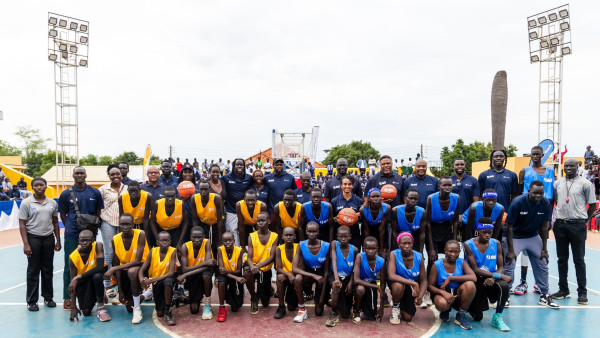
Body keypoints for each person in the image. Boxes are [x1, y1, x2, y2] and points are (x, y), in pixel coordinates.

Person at [503, 180, 558, 309]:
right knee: (509, 263)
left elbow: (545, 226)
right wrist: (511, 250)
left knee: (542, 262)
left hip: (532, 236)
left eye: (541, 193)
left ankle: (544, 295)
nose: (538, 196)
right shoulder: (518, 202)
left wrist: (544, 249)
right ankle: (505, 295)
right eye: (535, 193)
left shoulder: (544, 202)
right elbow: (509, 226)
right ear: (529, 191)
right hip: (515, 236)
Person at [551, 158, 597, 305]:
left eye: (572, 165)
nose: (569, 168)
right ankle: (563, 289)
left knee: (579, 260)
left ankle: (582, 292)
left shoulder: (586, 183)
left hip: (578, 224)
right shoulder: (557, 183)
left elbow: (592, 205)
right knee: (562, 259)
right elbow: (557, 201)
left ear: (577, 167)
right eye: (566, 166)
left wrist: (584, 221)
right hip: (561, 224)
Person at [58, 167, 104, 311]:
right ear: (73, 175)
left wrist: (90, 230)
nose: (79, 175)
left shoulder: (95, 192)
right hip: (72, 234)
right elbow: (63, 215)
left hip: (90, 233)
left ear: (85, 175)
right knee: (69, 265)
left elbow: (98, 212)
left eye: (81, 173)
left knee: (93, 265)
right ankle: (67, 298)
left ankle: (95, 295)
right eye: (77, 173)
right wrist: (71, 227)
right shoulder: (66, 193)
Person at [516, 145, 555, 295]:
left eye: (538, 154)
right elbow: (518, 195)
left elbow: (552, 196)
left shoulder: (551, 171)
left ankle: (540, 284)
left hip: (543, 213)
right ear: (530, 155)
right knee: (525, 249)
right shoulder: (524, 171)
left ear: (542, 154)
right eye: (533, 154)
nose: (536, 156)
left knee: (541, 248)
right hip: (527, 213)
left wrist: (550, 217)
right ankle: (523, 282)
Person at [18, 177, 61, 311]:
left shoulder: (52, 203)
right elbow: (22, 224)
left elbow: (55, 222)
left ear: (46, 186)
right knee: (33, 270)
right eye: (36, 185)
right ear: (32, 188)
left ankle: (48, 298)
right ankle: (32, 301)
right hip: (33, 238)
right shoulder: (26, 203)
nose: (39, 187)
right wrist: (26, 244)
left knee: (48, 269)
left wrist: (58, 240)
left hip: (48, 238)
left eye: (41, 185)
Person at [463, 218, 511, 332]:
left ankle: (498, 317)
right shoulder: (468, 244)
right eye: (484, 232)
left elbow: (500, 266)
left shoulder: (496, 243)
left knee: (504, 286)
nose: (488, 235)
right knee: (477, 317)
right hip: (476, 278)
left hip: (491, 277)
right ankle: (469, 307)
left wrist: (494, 277)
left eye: (490, 232)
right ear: (478, 230)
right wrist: (499, 276)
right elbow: (474, 269)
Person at [103, 214, 149, 324]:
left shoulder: (140, 234)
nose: (125, 227)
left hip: (143, 268)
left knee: (132, 271)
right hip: (124, 271)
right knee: (129, 308)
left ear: (133, 224)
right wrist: (120, 290)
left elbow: (138, 260)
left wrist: (113, 268)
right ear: (119, 225)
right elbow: (117, 266)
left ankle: (137, 309)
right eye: (122, 224)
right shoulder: (115, 239)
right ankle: (147, 293)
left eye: (128, 224)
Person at [428, 240, 477, 329]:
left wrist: (451, 278)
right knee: (442, 304)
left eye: (456, 251)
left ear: (459, 252)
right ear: (445, 251)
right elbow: (430, 286)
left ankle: (461, 315)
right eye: (450, 251)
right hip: (442, 292)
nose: (453, 254)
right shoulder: (437, 264)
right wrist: (444, 293)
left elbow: (473, 277)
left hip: (458, 292)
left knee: (470, 285)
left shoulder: (461, 262)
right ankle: (445, 310)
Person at [67, 230, 110, 322]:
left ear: (92, 240)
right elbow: (72, 285)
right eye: (82, 240)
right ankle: (100, 292)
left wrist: (78, 277)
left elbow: (99, 267)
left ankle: (100, 307)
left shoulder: (98, 245)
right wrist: (73, 307)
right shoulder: (73, 257)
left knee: (97, 276)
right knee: (86, 312)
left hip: (95, 275)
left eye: (87, 240)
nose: (85, 243)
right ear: (78, 241)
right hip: (84, 281)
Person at [292, 222, 330, 323]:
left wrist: (322, 297)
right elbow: (294, 269)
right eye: (309, 231)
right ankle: (302, 309)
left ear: (318, 232)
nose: (312, 234)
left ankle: (321, 297)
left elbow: (326, 271)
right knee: (298, 278)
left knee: (318, 312)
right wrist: (313, 275)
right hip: (308, 273)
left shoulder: (326, 246)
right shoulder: (301, 245)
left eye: (314, 231)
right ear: (306, 232)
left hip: (321, 275)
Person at [139, 231, 178, 326]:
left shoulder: (173, 251)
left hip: (167, 280)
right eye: (162, 240)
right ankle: (170, 301)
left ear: (170, 242)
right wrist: (142, 280)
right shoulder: (153, 251)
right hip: (157, 282)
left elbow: (171, 273)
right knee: (159, 313)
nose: (164, 243)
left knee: (168, 281)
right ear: (157, 242)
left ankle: (168, 310)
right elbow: (141, 270)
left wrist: (151, 280)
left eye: (166, 240)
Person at [98, 165, 126, 298]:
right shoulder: (103, 189)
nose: (115, 176)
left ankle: (121, 282)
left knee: (121, 252)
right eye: (112, 174)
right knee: (109, 252)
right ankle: (107, 284)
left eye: (117, 174)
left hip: (123, 224)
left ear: (122, 174)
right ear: (108, 176)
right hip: (107, 222)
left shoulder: (126, 188)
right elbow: (98, 206)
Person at [177, 226, 216, 319]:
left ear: (203, 236)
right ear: (190, 237)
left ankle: (207, 303)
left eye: (199, 237)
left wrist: (185, 274)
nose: (197, 240)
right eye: (194, 237)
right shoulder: (185, 246)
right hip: (192, 276)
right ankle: (197, 296)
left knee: (207, 276)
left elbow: (208, 266)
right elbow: (184, 269)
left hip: (203, 273)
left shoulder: (207, 242)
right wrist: (205, 263)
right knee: (194, 310)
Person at [388, 232, 427, 324]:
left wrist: (420, 296)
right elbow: (391, 275)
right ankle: (395, 307)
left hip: (410, 287)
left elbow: (424, 280)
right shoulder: (394, 254)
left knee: (407, 317)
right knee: (398, 286)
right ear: (399, 244)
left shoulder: (419, 256)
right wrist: (414, 283)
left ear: (412, 244)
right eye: (404, 243)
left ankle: (401, 302)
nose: (407, 246)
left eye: (409, 243)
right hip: (397, 284)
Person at [245, 212, 278, 314]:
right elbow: (249, 257)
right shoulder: (252, 236)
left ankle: (268, 288)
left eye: (263, 220)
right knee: (247, 273)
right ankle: (253, 298)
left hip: (265, 268)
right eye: (258, 221)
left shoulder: (274, 236)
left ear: (269, 221)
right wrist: (252, 267)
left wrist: (258, 267)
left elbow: (272, 257)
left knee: (265, 303)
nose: (260, 223)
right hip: (252, 265)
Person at [325, 226, 357, 327]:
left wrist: (351, 282)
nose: (343, 239)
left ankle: (339, 303)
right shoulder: (334, 244)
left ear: (350, 237)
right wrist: (336, 278)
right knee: (336, 286)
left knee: (345, 315)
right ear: (337, 237)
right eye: (341, 236)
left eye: (345, 236)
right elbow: (333, 260)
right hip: (334, 274)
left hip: (347, 277)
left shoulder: (355, 250)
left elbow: (355, 269)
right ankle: (333, 312)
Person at [425, 176, 460, 266]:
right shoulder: (431, 198)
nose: (447, 187)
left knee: (450, 257)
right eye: (444, 185)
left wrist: (455, 240)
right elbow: (427, 222)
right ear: (439, 186)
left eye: (449, 185)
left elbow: (455, 221)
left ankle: (448, 277)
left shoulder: (456, 198)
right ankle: (431, 279)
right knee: (432, 259)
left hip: (446, 228)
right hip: (432, 229)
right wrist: (431, 247)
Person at [353, 236, 385, 324]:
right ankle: (356, 310)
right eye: (368, 249)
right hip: (359, 283)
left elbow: (382, 284)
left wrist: (381, 307)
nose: (371, 251)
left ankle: (366, 308)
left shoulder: (381, 261)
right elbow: (356, 280)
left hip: (371, 284)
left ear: (377, 249)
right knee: (360, 289)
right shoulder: (359, 257)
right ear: (364, 249)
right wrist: (375, 286)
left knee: (371, 316)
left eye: (373, 249)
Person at [478, 150, 519, 217]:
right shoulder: (483, 175)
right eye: (496, 156)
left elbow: (514, 195)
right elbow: (480, 195)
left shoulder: (512, 175)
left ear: (505, 159)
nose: (498, 158)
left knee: (504, 227)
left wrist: (512, 209)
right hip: (487, 212)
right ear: (492, 159)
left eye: (501, 156)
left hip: (506, 210)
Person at [221, 158, 252, 246]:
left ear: (244, 166)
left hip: (245, 211)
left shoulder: (249, 178)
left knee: (245, 232)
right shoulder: (225, 178)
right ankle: (236, 253)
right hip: (231, 210)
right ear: (233, 166)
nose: (239, 166)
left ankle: (245, 253)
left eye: (241, 165)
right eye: (237, 165)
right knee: (232, 232)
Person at [216, 232, 246, 322]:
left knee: (236, 307)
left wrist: (228, 272)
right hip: (226, 276)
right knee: (221, 282)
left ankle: (232, 295)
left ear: (234, 241)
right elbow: (221, 271)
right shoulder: (220, 250)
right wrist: (236, 278)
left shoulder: (239, 250)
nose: (228, 242)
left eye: (230, 240)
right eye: (225, 241)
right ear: (222, 242)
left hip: (235, 274)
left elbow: (238, 271)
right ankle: (221, 307)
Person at [191, 180, 224, 257]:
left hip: (216, 225)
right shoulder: (194, 198)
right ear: (198, 189)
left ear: (209, 189)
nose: (203, 191)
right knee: (204, 246)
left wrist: (220, 240)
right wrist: (195, 233)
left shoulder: (216, 198)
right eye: (201, 189)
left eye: (205, 189)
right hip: (203, 224)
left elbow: (220, 220)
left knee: (216, 247)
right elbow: (194, 219)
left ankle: (217, 266)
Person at [331, 176, 363, 250]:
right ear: (341, 185)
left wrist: (358, 215)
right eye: (345, 184)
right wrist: (336, 218)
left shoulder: (358, 201)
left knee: (355, 254)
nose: (347, 186)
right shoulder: (335, 201)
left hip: (354, 232)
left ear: (352, 185)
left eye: (349, 184)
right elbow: (331, 218)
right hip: (339, 232)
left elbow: (361, 218)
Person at [451, 158, 480, 237]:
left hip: (468, 218)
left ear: (465, 166)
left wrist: (464, 215)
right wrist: (455, 215)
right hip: (451, 218)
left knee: (468, 243)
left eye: (462, 164)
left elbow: (476, 202)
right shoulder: (448, 180)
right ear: (453, 167)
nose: (459, 166)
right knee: (452, 244)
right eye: (457, 165)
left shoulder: (473, 180)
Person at [274, 227, 299, 319]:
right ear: (283, 237)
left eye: (291, 235)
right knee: (279, 277)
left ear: (295, 236)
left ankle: (296, 300)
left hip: (296, 277)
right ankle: (281, 307)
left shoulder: (298, 247)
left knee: (291, 307)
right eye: (286, 235)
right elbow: (279, 268)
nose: (288, 237)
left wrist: (291, 275)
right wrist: (288, 275)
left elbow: (301, 267)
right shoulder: (278, 249)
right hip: (286, 276)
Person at [360, 188, 391, 257]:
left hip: (381, 229)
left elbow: (381, 229)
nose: (376, 199)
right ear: (369, 198)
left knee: (383, 254)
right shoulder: (363, 210)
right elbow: (366, 229)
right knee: (369, 253)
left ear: (381, 197)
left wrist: (381, 248)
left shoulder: (387, 208)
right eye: (373, 197)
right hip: (368, 229)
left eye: (378, 196)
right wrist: (366, 245)